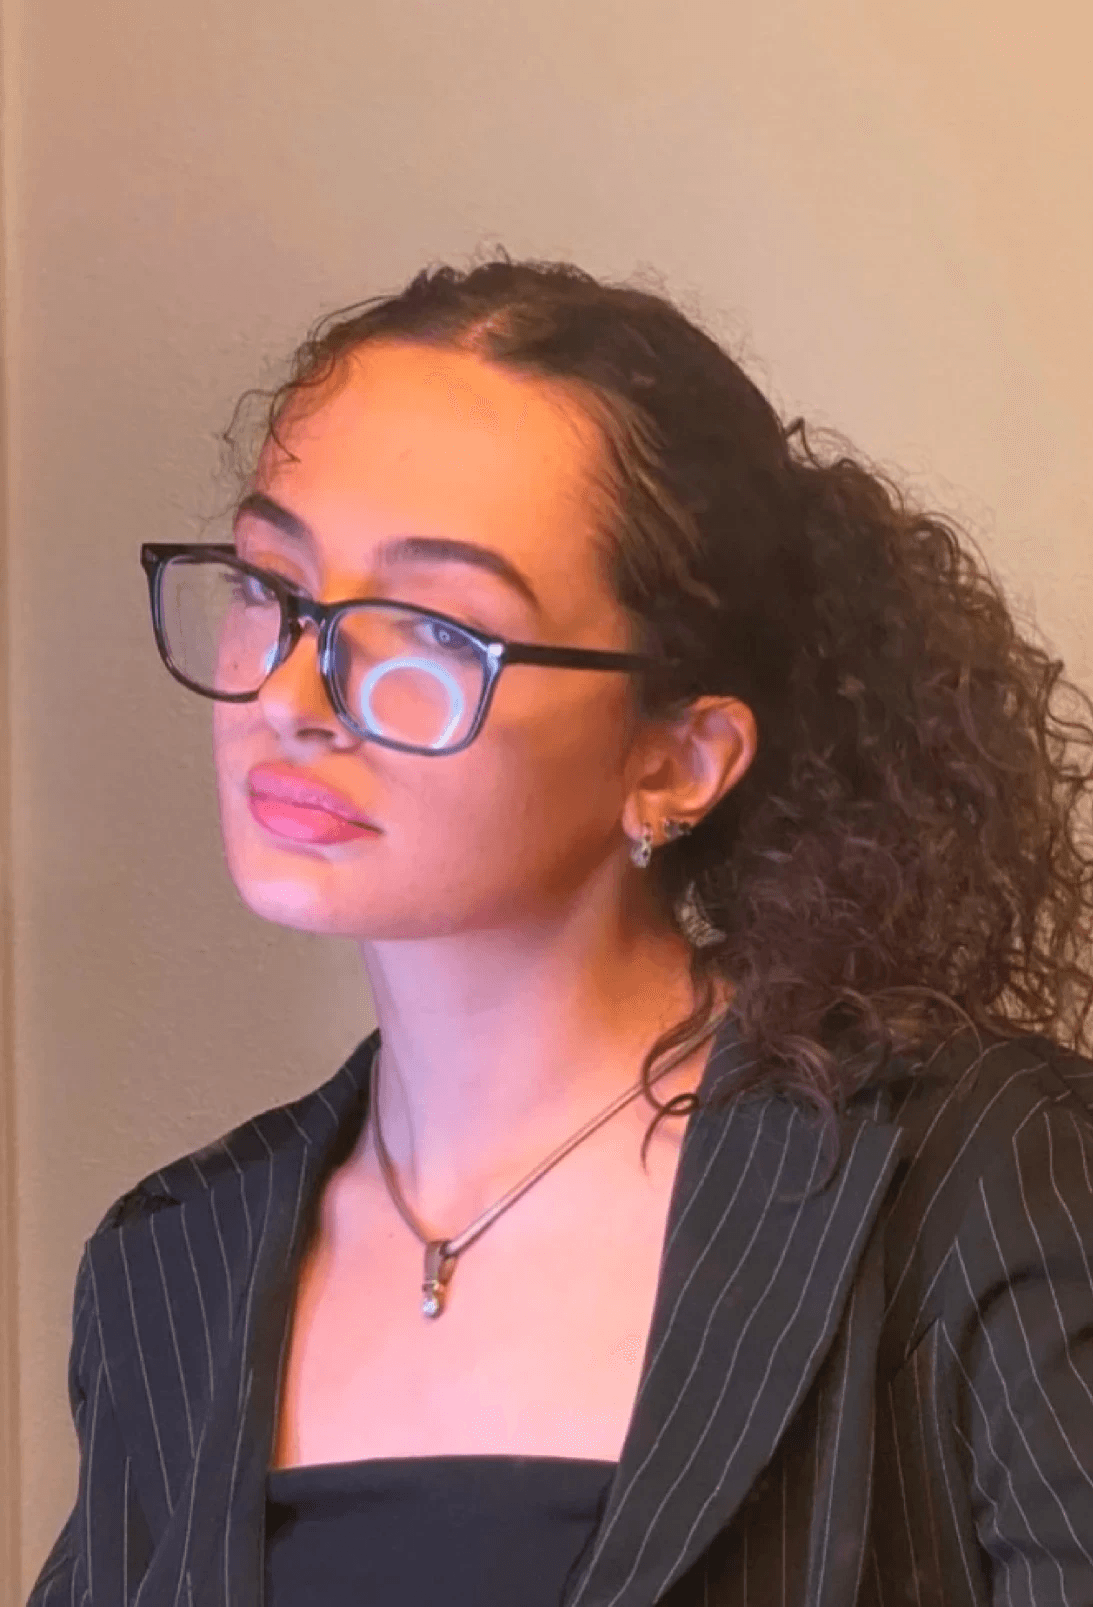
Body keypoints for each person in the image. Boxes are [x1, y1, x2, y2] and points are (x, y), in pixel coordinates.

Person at [29, 255, 1093, 1607]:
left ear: (680, 757)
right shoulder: (166, 1263)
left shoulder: (974, 1174)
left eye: (423, 625)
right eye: (271, 586)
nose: (293, 689)